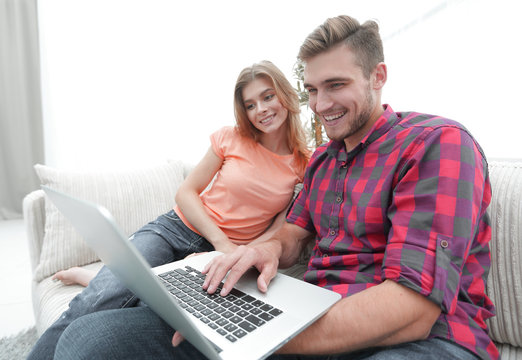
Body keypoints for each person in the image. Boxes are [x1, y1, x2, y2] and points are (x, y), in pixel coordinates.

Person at [51, 15, 498, 360]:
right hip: (311, 316)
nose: (321, 105)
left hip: (427, 341)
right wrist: (265, 249)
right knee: (90, 337)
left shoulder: (437, 144)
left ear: (378, 76)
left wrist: (256, 335)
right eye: (313, 90)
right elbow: (291, 235)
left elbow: (411, 313)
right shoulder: (324, 161)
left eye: (336, 86)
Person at [27, 60, 310, 360]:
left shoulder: (303, 165)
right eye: (250, 104)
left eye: (268, 97)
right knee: (95, 301)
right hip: (174, 229)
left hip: (219, 254)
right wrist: (220, 243)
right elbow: (186, 193)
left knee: (165, 311)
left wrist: (229, 256)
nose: (261, 109)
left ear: (285, 94)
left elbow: (275, 232)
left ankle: (108, 278)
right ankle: (104, 284)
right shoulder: (231, 137)